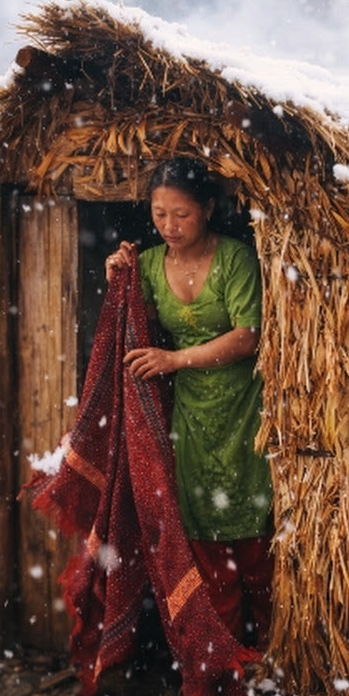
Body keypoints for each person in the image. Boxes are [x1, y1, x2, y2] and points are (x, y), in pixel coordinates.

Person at [105, 157, 274, 651]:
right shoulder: (151, 264)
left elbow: (248, 335)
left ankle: (271, 650)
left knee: (257, 538)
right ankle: (224, 656)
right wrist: (118, 276)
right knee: (203, 531)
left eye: (181, 214)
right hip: (191, 414)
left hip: (245, 409)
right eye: (159, 214)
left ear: (208, 209)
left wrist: (176, 359)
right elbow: (136, 318)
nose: (169, 226)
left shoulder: (235, 259)